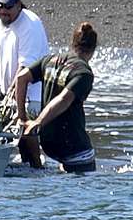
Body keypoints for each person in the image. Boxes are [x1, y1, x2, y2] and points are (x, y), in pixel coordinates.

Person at [15, 22, 98, 173]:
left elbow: (21, 78)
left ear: (73, 43)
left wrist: (22, 117)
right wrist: (38, 122)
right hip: (75, 150)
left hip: (50, 146)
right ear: (93, 49)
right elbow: (64, 99)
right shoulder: (83, 73)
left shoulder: (50, 60)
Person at [0, 0, 49, 115]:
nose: (3, 11)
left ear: (19, 5)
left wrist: (12, 101)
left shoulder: (30, 25)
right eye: (0, 5)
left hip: (32, 97)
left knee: (26, 134)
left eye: (8, 7)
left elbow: (24, 69)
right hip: (7, 95)